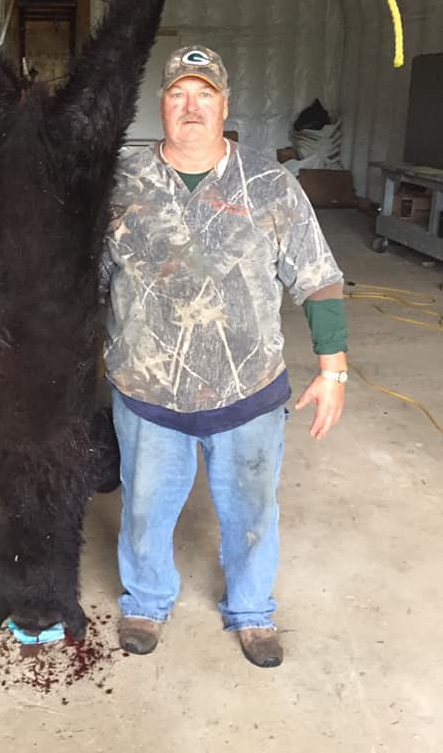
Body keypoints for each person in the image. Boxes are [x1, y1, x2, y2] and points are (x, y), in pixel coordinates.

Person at [101, 45, 348, 668]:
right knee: (143, 508)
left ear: (225, 104)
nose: (191, 107)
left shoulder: (269, 184)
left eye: (204, 94)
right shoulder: (119, 183)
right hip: (146, 391)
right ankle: (146, 600)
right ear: (161, 104)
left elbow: (318, 277)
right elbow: (80, 279)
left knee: (252, 510)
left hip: (248, 394)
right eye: (178, 94)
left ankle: (252, 609)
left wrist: (333, 369)